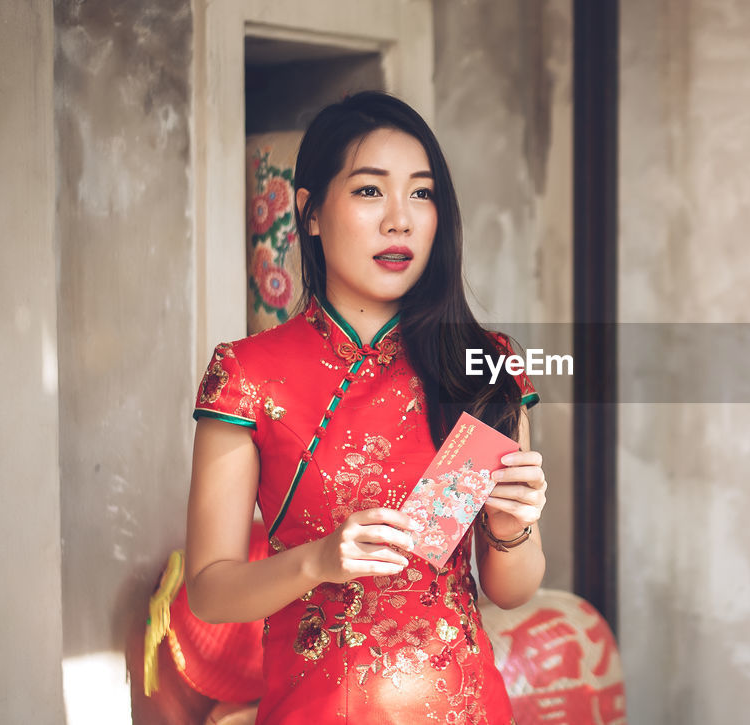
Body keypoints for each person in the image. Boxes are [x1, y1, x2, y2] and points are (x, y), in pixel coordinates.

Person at [185, 91, 547, 724]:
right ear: (312, 213)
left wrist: (510, 522)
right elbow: (210, 592)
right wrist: (318, 561)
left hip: (468, 707)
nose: (400, 220)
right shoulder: (248, 373)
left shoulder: (480, 364)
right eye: (369, 191)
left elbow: (510, 590)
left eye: (423, 193)